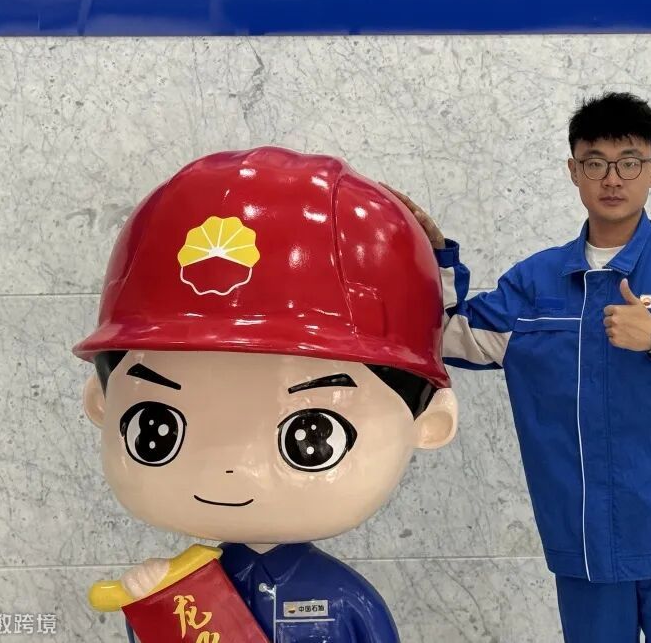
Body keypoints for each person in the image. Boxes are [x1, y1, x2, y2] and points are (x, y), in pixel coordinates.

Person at [384, 92, 651, 643]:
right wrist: (433, 258)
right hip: (585, 545)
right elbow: (446, 336)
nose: (612, 178)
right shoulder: (535, 283)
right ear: (573, 171)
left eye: (629, 162)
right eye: (595, 163)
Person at [73, 146, 459, 642]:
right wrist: (153, 608)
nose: (231, 466)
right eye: (157, 428)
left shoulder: (345, 599)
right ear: (101, 405)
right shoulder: (186, 592)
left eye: (311, 436)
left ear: (428, 425)